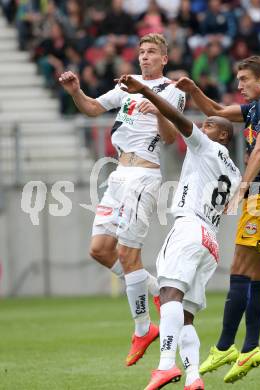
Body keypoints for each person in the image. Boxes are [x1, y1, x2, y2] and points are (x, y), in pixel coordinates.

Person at [58, 33, 186, 367]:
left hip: (144, 175)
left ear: (164, 59)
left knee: (129, 254)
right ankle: (158, 291)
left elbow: (171, 138)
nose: (145, 57)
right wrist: (75, 91)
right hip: (118, 176)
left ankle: (143, 329)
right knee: (100, 250)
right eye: (142, 52)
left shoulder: (172, 91)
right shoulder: (128, 86)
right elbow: (91, 108)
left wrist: (156, 106)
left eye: (152, 52)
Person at [116, 74, 241, 390]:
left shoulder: (207, 147)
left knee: (169, 294)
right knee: (184, 316)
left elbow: (177, 119)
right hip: (211, 241)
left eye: (209, 125)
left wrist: (145, 91)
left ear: (223, 135)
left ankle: (165, 365)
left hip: (190, 226)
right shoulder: (236, 173)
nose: (202, 127)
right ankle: (194, 377)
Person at [175, 55, 260, 384]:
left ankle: (226, 346)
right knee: (255, 274)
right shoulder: (257, 107)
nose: (239, 85)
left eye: (244, 79)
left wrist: (242, 187)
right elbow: (215, 110)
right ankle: (250, 347)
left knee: (240, 270)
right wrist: (194, 90)